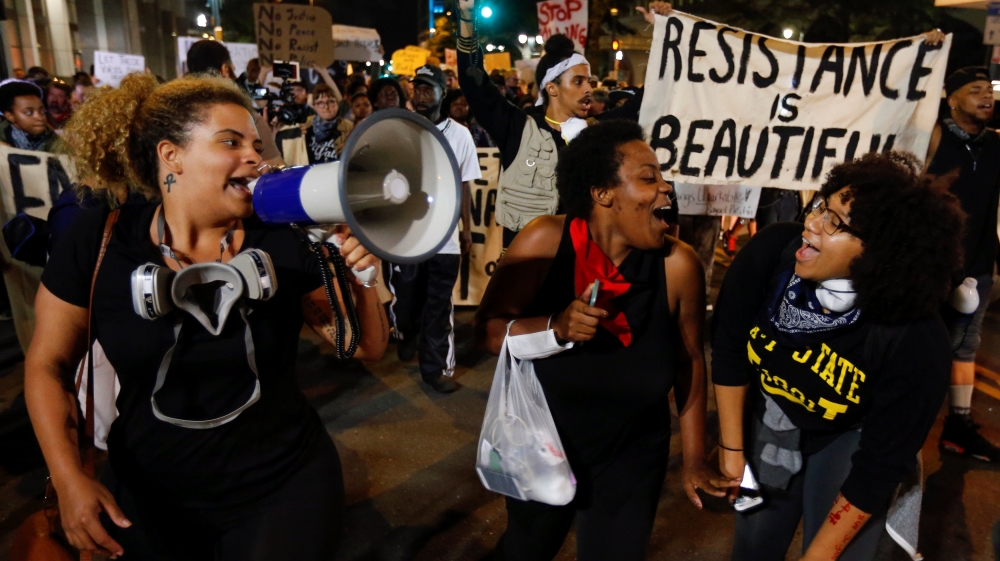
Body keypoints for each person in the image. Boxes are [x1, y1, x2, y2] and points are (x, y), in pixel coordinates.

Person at [25, 73, 389, 560]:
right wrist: (69, 480)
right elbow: (47, 366)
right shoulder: (100, 242)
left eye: (255, 145)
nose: (255, 158)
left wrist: (363, 275)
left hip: (282, 486)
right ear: (170, 155)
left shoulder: (282, 237)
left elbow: (365, 345)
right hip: (146, 494)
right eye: (231, 142)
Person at [475, 120, 731, 560]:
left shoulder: (679, 264)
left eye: (662, 177)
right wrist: (554, 326)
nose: (665, 188)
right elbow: (491, 332)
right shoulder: (544, 239)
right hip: (543, 443)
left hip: (634, 452)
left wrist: (692, 459)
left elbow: (689, 360)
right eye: (648, 177)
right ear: (602, 192)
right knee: (525, 551)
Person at [712, 153, 964, 561]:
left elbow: (878, 468)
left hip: (848, 440)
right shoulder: (773, 251)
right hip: (773, 420)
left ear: (881, 250)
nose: (812, 223)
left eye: (836, 222)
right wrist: (732, 452)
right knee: (754, 547)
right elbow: (728, 348)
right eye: (820, 206)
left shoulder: (914, 338)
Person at [457, 0, 671, 247]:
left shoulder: (601, 132)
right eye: (578, 81)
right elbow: (474, 82)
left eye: (589, 81)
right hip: (527, 266)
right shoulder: (517, 128)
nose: (589, 89)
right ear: (552, 87)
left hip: (585, 269)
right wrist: (466, 18)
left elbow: (651, 98)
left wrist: (663, 33)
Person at [925, 66, 1000, 463]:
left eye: (989, 90)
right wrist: (929, 54)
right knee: (920, 343)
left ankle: (958, 427)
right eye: (975, 90)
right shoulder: (932, 137)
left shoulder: (995, 145)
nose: (986, 97)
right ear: (951, 99)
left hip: (977, 267)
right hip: (931, 264)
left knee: (965, 349)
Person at [389, 65, 479, 394]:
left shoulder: (461, 135)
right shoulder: (401, 128)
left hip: (445, 238)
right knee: (408, 298)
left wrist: (466, 229)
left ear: (444, 91)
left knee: (439, 306)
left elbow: (465, 185)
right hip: (409, 236)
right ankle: (407, 332)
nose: (422, 95)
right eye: (418, 89)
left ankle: (436, 368)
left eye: (429, 89)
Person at [186, 39, 284, 169]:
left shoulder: (181, 117)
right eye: (232, 66)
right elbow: (277, 169)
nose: (235, 69)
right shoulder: (247, 119)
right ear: (225, 69)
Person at [303, 83, 353, 164]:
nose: (326, 107)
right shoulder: (306, 125)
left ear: (338, 104)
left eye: (331, 102)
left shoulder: (349, 127)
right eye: (320, 103)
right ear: (314, 106)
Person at [0, 79, 56, 151]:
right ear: (10, 116)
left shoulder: (56, 141)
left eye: (42, 111)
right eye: (29, 112)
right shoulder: (2, 142)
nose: (39, 117)